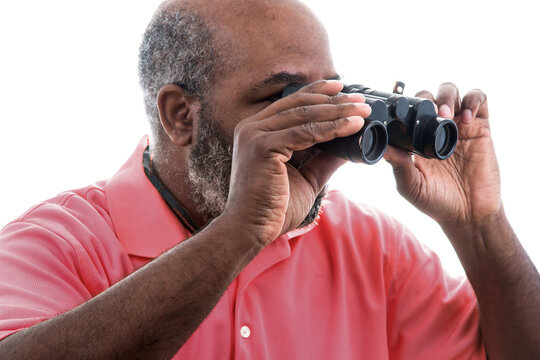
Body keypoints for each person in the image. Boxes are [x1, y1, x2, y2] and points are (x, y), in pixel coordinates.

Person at [0, 0, 539, 358]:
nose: (321, 125)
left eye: (331, 94)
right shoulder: (62, 241)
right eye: (283, 101)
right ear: (180, 116)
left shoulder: (368, 247)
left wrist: (480, 225)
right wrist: (239, 232)